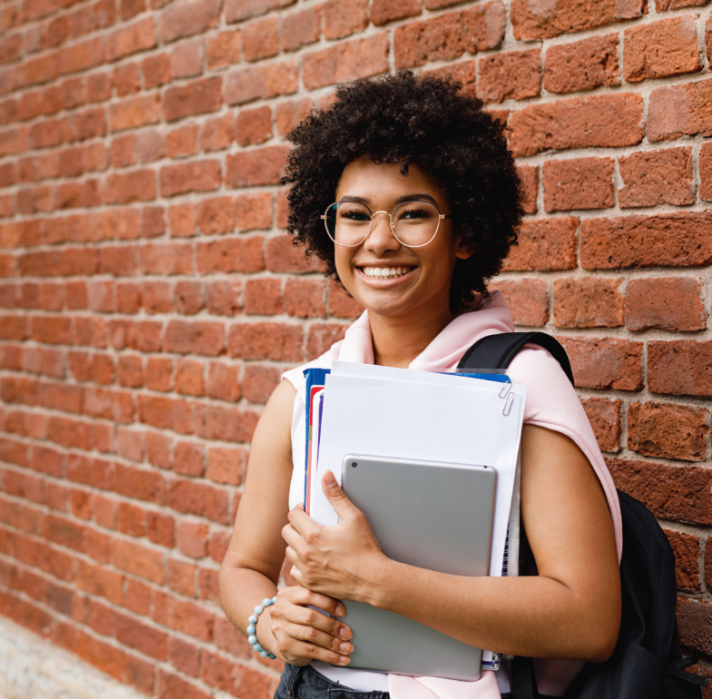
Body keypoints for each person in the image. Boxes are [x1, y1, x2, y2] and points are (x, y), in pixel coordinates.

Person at [218, 73, 623, 699]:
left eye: (413, 214)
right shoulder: (304, 395)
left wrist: (380, 581)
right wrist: (269, 623)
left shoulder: (519, 384)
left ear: (464, 235)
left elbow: (589, 619)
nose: (379, 240)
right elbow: (243, 568)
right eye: (354, 216)